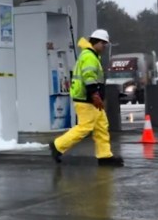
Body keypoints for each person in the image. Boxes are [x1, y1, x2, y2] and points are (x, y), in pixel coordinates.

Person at [50, 29, 123, 166]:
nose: (104, 46)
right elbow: (89, 77)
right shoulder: (89, 56)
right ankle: (57, 145)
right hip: (87, 99)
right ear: (96, 42)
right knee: (85, 127)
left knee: (101, 127)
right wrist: (94, 94)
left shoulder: (92, 55)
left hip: (92, 99)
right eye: (103, 43)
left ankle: (105, 156)